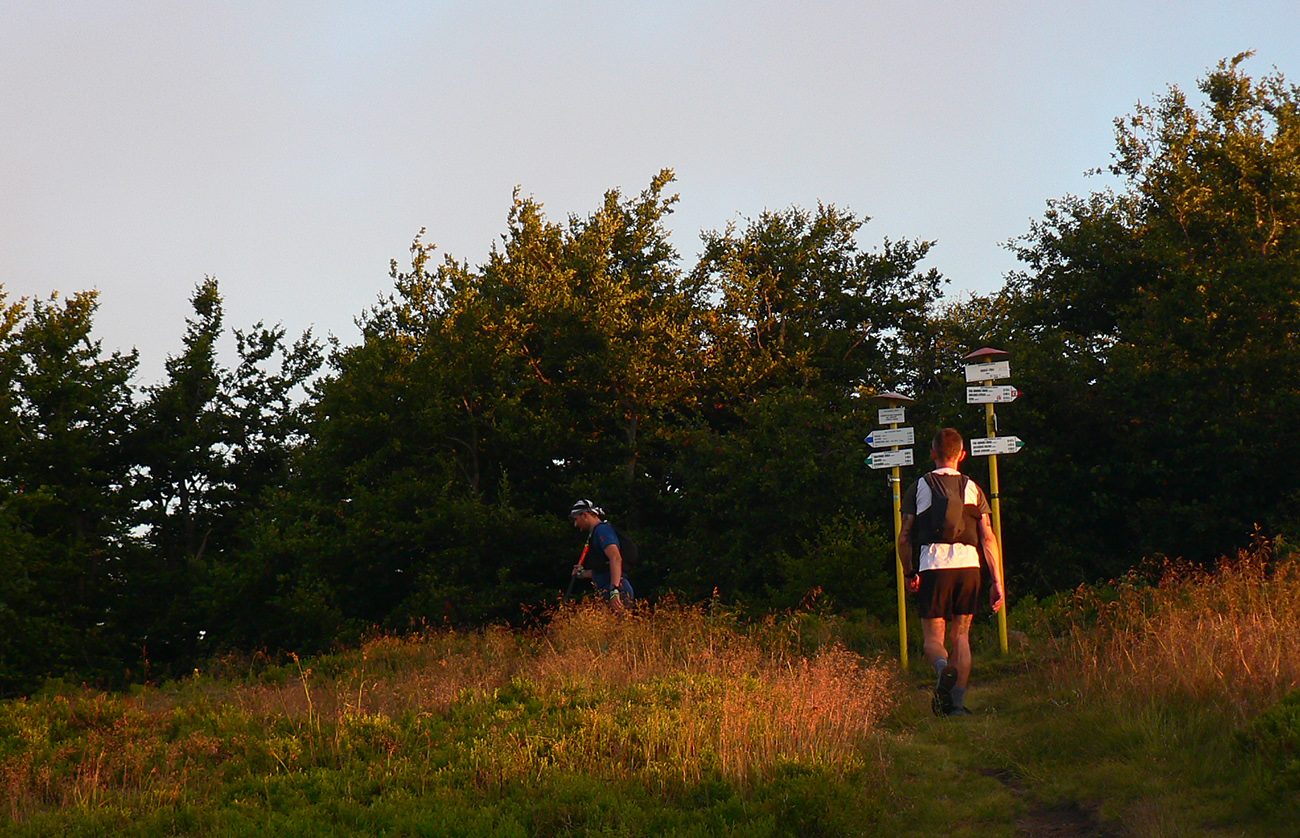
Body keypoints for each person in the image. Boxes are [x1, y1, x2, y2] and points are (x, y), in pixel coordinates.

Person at [898, 428, 1005, 716]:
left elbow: (905, 538)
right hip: (969, 567)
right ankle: (956, 704)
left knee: (934, 639)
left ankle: (942, 667)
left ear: (933, 453)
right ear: (962, 455)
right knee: (962, 636)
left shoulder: (919, 486)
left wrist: (909, 573)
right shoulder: (972, 487)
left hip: (934, 566)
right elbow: (988, 537)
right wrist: (997, 580)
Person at [569, 499, 633, 612]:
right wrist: (582, 574)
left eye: (576, 519)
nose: (576, 524)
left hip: (616, 591)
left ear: (585, 515)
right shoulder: (595, 533)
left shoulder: (602, 530)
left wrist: (614, 590)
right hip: (607, 590)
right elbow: (602, 570)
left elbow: (615, 558)